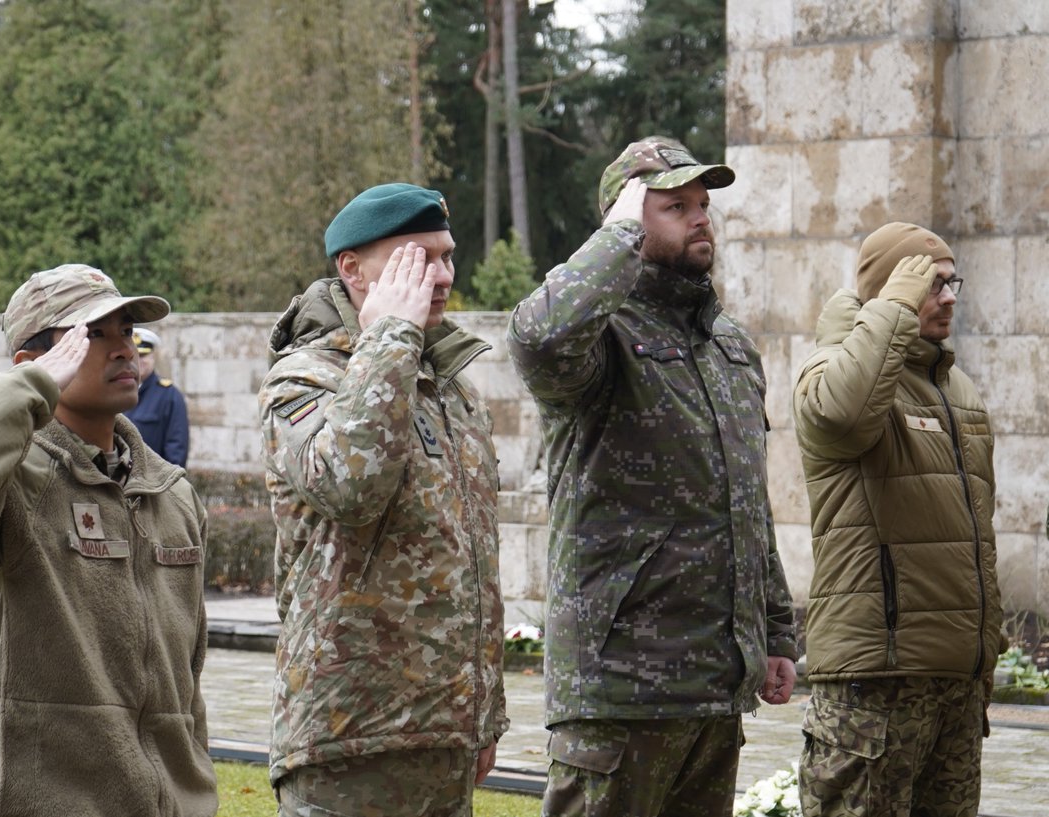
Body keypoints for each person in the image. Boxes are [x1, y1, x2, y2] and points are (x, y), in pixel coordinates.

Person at [507, 136, 798, 817]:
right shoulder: (599, 337)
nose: (701, 217)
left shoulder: (729, 345)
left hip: (711, 688)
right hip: (619, 692)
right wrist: (618, 238)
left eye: (704, 204)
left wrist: (776, 632)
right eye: (675, 206)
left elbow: (744, 502)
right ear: (628, 219)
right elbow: (538, 338)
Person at [0, 264, 218, 817]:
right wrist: (19, 394)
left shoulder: (170, 494)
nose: (123, 350)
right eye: (92, 334)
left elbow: (187, 682)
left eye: (126, 331)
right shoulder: (8, 480)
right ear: (31, 366)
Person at [258, 183, 508, 817]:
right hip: (349, 738)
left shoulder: (451, 387)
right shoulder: (306, 378)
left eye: (448, 256)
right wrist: (391, 334)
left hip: (441, 733)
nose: (443, 275)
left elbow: (473, 559)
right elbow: (349, 485)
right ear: (352, 268)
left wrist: (483, 711)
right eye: (418, 258)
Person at [792, 223, 1003, 816]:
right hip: (872, 690)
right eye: (933, 283)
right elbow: (843, 414)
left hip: (955, 688)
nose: (951, 297)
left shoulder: (956, 389)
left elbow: (975, 537)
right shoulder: (829, 371)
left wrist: (985, 653)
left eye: (952, 281)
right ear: (894, 293)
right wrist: (891, 309)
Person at [125, 326, 190, 466]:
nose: (138, 361)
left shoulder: (170, 396)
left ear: (153, 357)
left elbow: (176, 450)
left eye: (143, 356)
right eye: (133, 356)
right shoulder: (114, 392)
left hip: (153, 484)